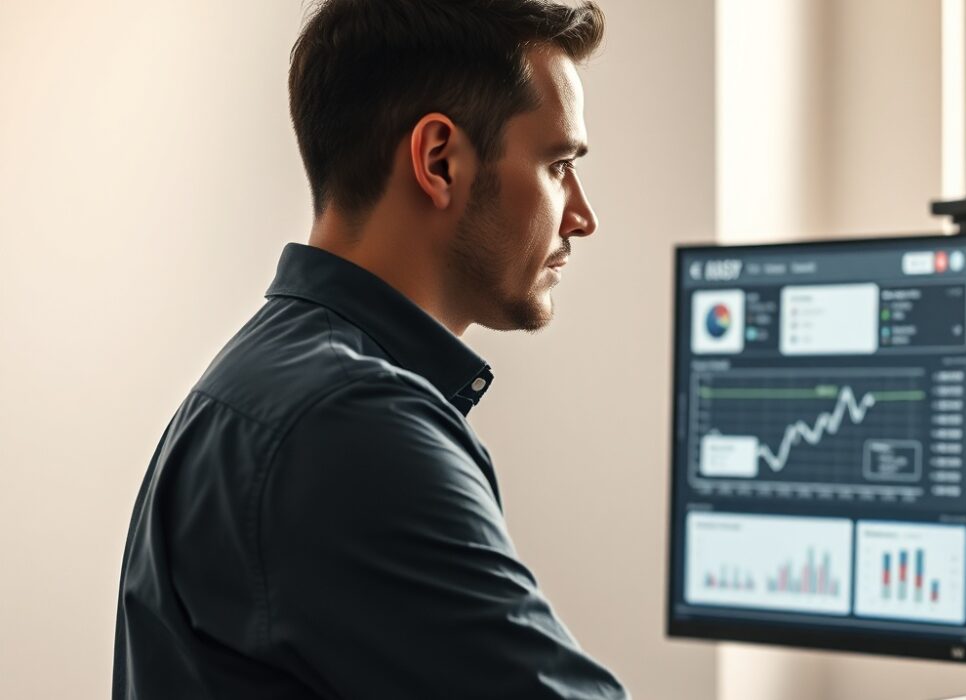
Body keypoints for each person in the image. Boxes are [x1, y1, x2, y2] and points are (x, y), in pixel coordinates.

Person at [112, 1, 629, 697]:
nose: (582, 217)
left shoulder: (266, 384)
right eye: (558, 164)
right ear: (439, 159)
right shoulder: (348, 424)